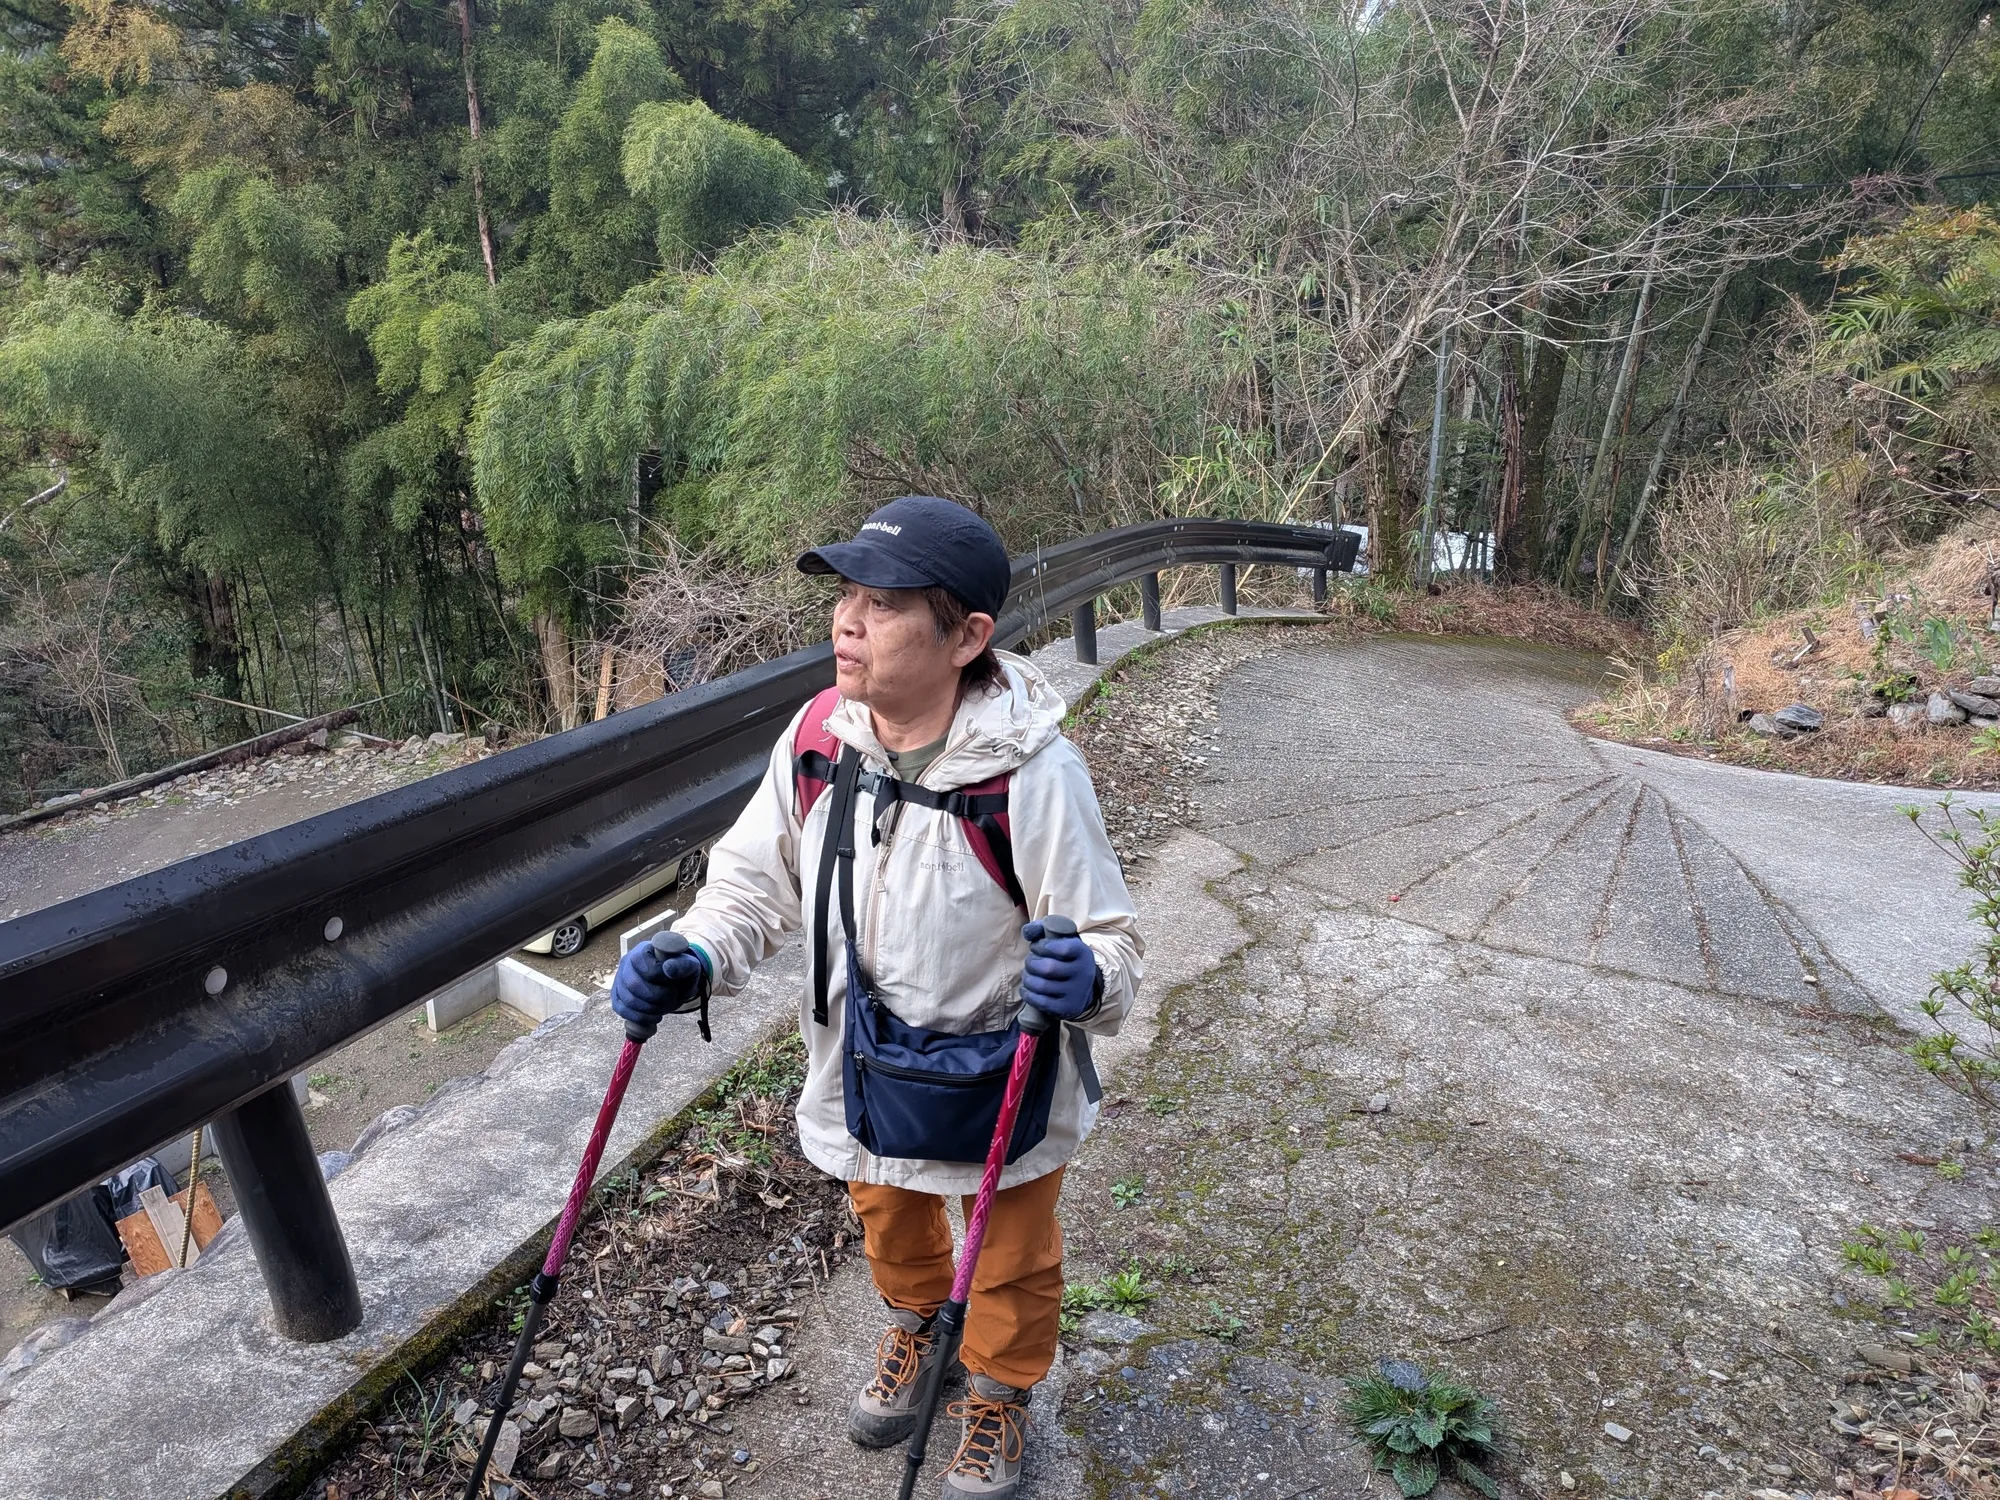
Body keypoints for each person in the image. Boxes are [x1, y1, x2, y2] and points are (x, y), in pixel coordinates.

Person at [608, 495, 1143, 1498]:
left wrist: (1091, 978)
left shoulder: (1032, 775)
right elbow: (748, 885)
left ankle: (994, 1392)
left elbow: (1109, 941)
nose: (844, 622)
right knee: (885, 1207)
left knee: (1010, 1254)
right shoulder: (818, 740)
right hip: (860, 1054)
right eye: (846, 595)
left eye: (883, 604)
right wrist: (693, 955)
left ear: (966, 638)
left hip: (1001, 1077)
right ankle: (915, 1335)